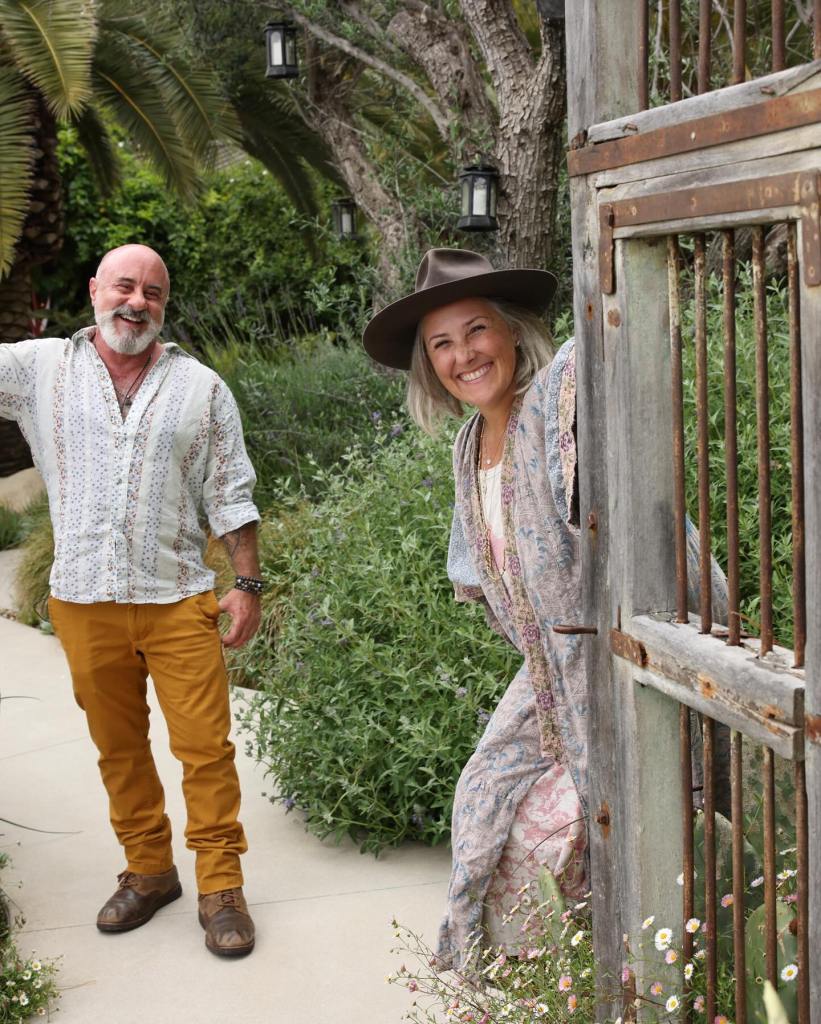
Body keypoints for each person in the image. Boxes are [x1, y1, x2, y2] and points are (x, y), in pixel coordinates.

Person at [0, 244, 262, 958]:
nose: (136, 301)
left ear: (163, 306)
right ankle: (149, 871)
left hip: (178, 599)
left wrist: (246, 584)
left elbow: (231, 493)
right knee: (118, 750)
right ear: (94, 291)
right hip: (83, 601)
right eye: (124, 286)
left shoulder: (201, 388)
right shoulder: (36, 369)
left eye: (152, 291)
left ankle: (220, 887)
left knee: (205, 751)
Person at [363, 248, 587, 971]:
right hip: (547, 664)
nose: (463, 355)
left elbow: (596, 349)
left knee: (588, 821)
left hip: (607, 653)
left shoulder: (553, 407)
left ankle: (614, 963)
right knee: (483, 792)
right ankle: (491, 958)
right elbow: (488, 575)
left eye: (476, 330)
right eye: (442, 344)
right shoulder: (469, 445)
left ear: (512, 332)